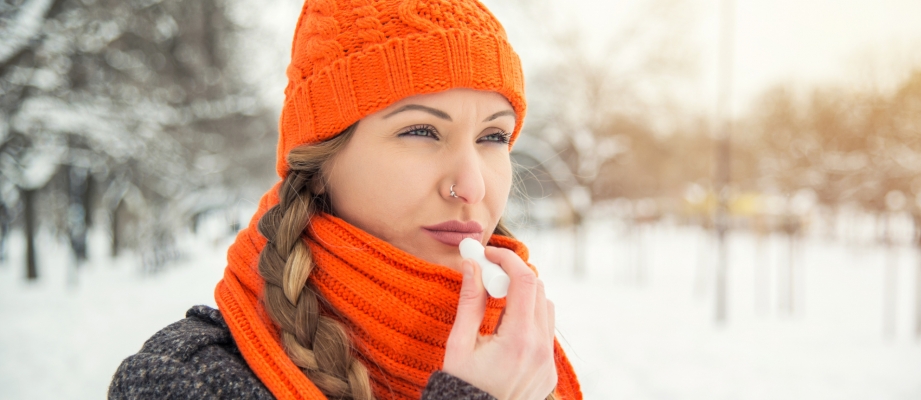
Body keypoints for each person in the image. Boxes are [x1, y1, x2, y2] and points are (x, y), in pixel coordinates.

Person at [109, 0, 583, 399]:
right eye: (420, 131)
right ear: (319, 167)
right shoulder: (184, 379)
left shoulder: (528, 359)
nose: (472, 186)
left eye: (494, 136)